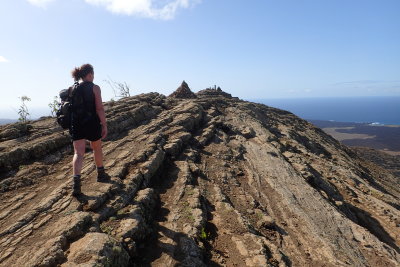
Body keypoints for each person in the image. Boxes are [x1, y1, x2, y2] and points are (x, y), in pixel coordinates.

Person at [69, 64, 108, 196]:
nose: (94, 76)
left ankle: (76, 185)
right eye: (93, 73)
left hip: (76, 123)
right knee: (96, 148)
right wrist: (104, 124)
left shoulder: (72, 88)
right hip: (92, 122)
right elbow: (99, 108)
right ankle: (101, 174)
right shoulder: (95, 87)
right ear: (90, 74)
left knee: (78, 153)